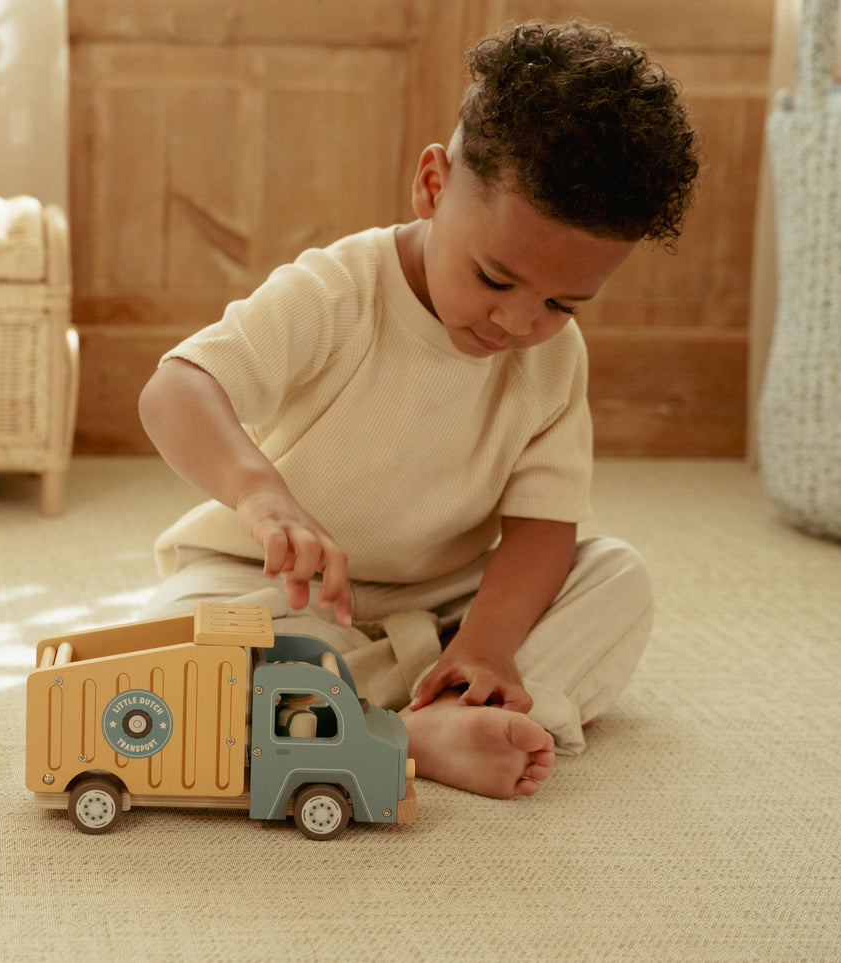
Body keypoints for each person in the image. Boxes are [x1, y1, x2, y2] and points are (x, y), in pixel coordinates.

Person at [136, 21, 700, 799]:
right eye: (494, 278)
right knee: (170, 654)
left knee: (614, 577)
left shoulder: (552, 357)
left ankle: (439, 698)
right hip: (280, 589)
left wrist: (489, 642)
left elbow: (541, 526)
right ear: (433, 185)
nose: (516, 321)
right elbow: (176, 388)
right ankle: (419, 726)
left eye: (562, 302)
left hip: (448, 605)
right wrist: (259, 494)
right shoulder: (337, 291)